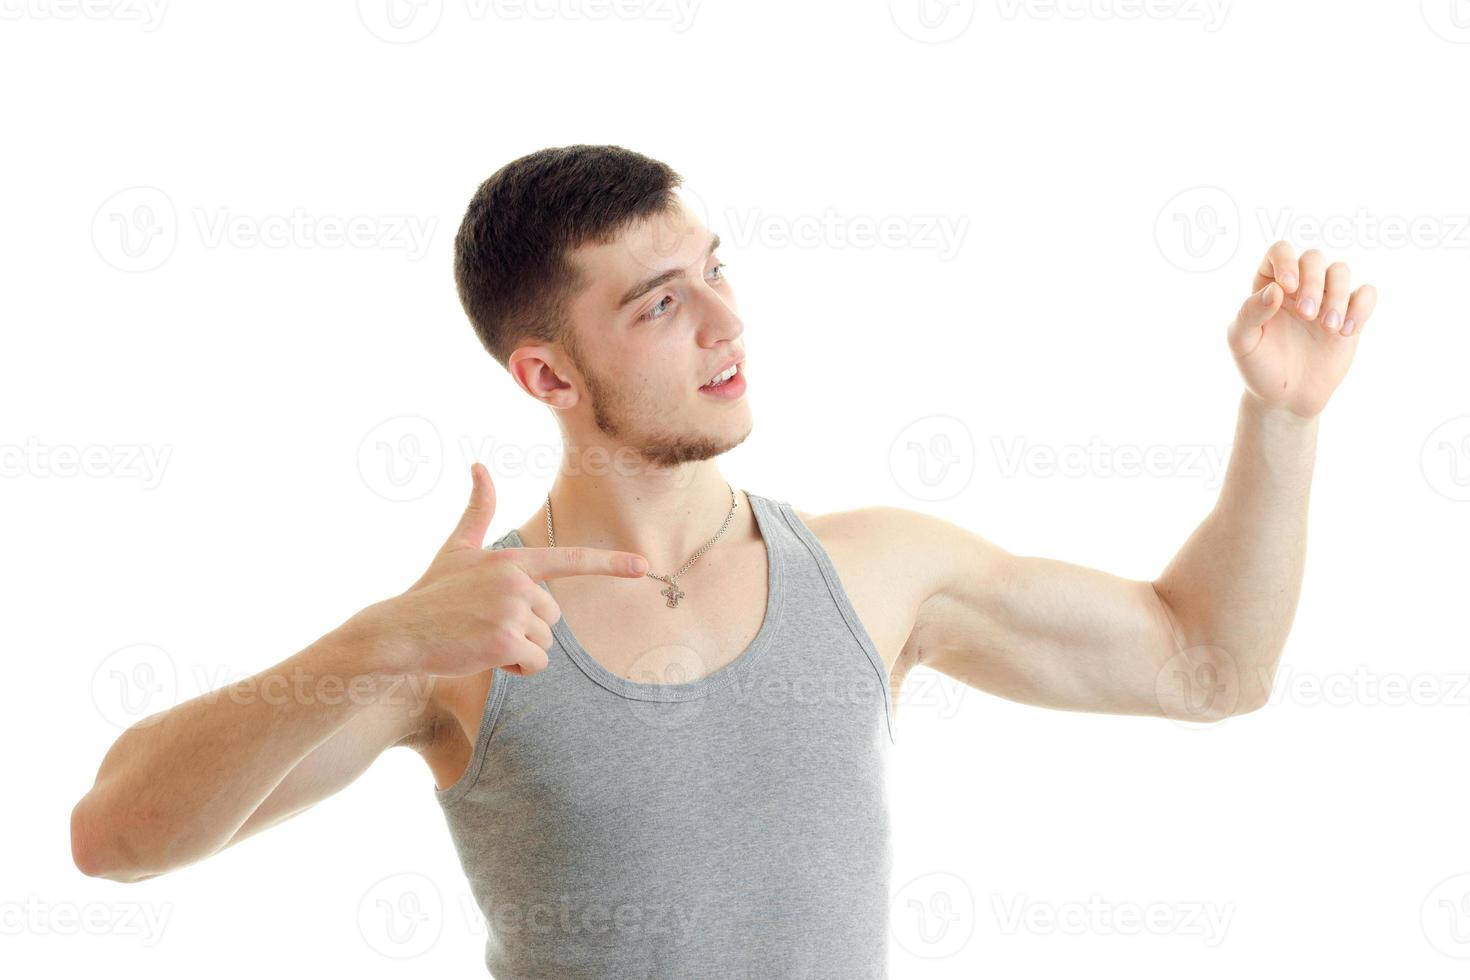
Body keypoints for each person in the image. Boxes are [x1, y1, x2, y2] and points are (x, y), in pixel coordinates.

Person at [70, 144, 1379, 977]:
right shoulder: (464, 638)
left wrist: (1282, 417)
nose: (725, 320)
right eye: (660, 303)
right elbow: (113, 840)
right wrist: (383, 639)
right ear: (547, 374)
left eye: (715, 270)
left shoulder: (877, 574)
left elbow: (1210, 668)